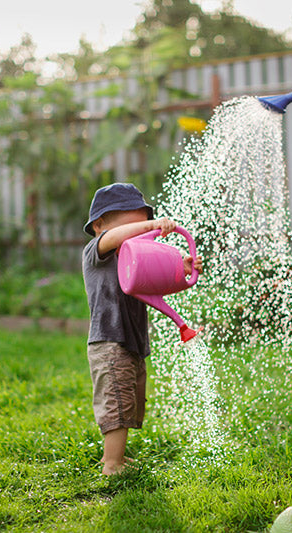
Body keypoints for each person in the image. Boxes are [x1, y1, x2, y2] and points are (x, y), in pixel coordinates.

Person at [82, 182, 202, 475]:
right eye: (133, 226)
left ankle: (117, 456)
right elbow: (116, 237)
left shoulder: (135, 258)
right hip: (109, 339)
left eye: (144, 225)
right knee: (117, 400)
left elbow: (157, 287)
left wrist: (181, 268)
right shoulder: (97, 252)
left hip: (132, 340)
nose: (141, 232)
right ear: (99, 225)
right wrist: (150, 224)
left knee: (131, 398)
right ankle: (112, 464)